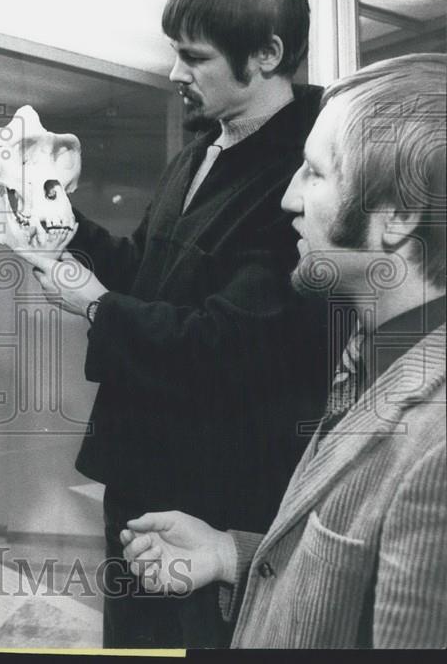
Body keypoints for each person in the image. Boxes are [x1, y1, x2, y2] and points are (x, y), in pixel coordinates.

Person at [22, 0, 330, 647]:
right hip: (140, 473)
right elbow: (142, 271)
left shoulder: (304, 181)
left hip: (216, 498)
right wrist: (53, 214)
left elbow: (228, 343)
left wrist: (95, 304)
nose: (173, 74)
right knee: (134, 645)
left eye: (194, 58)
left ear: (268, 53)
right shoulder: (199, 152)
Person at [120, 53, 447, 648]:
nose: (288, 198)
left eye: (315, 173)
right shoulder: (368, 356)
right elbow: (348, 588)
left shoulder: (437, 450)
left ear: (397, 215)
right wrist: (230, 553)